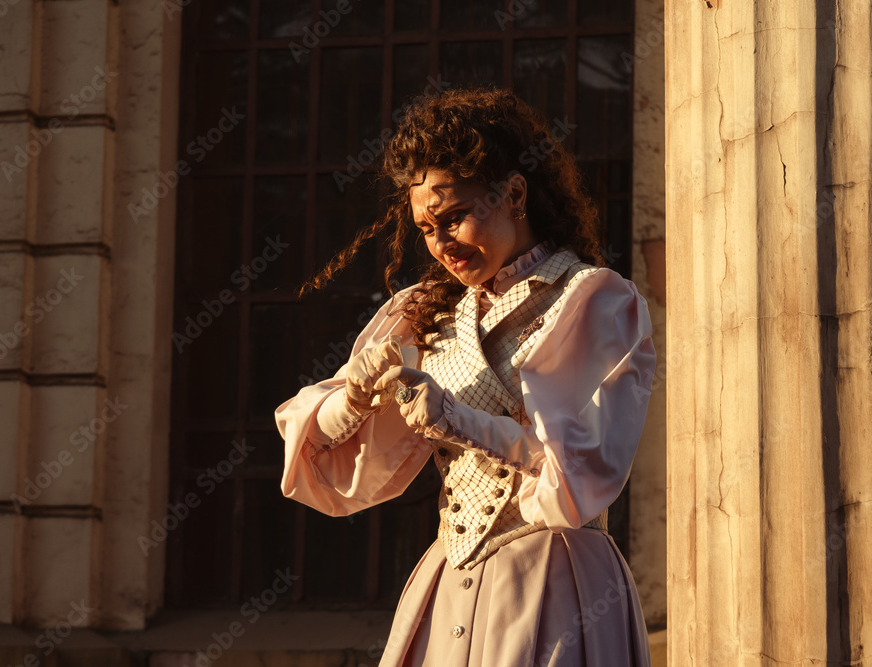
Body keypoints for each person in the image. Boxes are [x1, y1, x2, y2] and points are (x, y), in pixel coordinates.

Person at [274, 86, 656, 667]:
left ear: (515, 193)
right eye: (427, 228)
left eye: (454, 217)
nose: (441, 243)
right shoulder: (426, 312)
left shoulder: (590, 300)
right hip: (451, 583)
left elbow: (576, 480)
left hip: (556, 586)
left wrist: (459, 419)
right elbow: (319, 455)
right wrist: (352, 396)